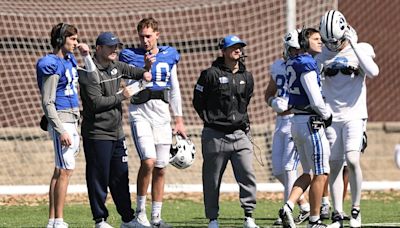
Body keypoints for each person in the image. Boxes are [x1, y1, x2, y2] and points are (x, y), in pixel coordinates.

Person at [78, 32, 152, 228]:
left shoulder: (116, 66)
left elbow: (135, 72)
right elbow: (95, 103)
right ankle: (100, 220)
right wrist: (122, 95)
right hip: (97, 134)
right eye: (110, 47)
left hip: (117, 133)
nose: (115, 50)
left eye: (116, 46)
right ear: (99, 49)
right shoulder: (87, 71)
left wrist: (146, 71)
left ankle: (127, 219)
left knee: (120, 176)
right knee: (98, 178)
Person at [119, 17, 187, 228]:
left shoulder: (169, 55)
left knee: (161, 166)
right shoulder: (130, 55)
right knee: (148, 161)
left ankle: (156, 216)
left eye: (148, 36)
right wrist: (145, 73)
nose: (145, 40)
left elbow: (174, 88)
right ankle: (140, 213)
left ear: (157, 34)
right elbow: (130, 90)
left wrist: (179, 119)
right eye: (141, 36)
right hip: (140, 112)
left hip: (162, 114)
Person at [317, 10, 379, 228]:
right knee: (334, 165)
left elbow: (373, 72)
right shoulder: (321, 55)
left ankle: (356, 209)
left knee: (352, 160)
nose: (331, 45)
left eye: (334, 40)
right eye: (327, 41)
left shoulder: (361, 49)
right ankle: (337, 214)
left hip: (355, 115)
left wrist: (353, 45)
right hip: (332, 118)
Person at [193, 35, 259, 228]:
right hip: (215, 135)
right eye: (233, 47)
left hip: (240, 135)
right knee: (212, 179)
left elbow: (246, 100)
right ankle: (213, 219)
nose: (238, 50)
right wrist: (211, 120)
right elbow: (198, 101)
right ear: (223, 50)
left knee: (247, 174)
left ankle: (249, 216)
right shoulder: (210, 74)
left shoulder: (247, 76)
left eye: (240, 46)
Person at [278, 28, 333, 228]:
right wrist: (327, 115)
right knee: (321, 173)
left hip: (297, 121)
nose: (320, 42)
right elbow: (315, 99)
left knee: (308, 172)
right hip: (311, 122)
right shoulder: (307, 63)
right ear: (304, 42)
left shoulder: (292, 62)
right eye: (315, 39)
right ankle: (314, 220)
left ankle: (288, 206)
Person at [36, 23, 89, 228]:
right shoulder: (52, 63)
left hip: (72, 119)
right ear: (60, 40)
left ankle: (53, 221)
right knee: (66, 169)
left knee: (61, 170)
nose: (76, 43)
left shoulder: (69, 60)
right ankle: (58, 220)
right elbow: (47, 101)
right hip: (61, 120)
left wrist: (87, 58)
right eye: (73, 39)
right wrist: (60, 129)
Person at [264, 29, 310, 226]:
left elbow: (310, 95)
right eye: (292, 49)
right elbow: (268, 93)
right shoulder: (278, 66)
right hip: (280, 122)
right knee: (277, 170)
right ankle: (304, 204)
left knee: (289, 168)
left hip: (297, 120)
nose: (295, 53)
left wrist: (291, 106)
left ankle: (286, 211)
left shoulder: (306, 67)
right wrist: (273, 103)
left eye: (298, 50)